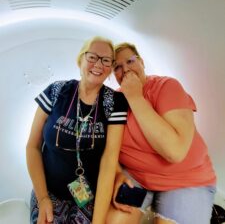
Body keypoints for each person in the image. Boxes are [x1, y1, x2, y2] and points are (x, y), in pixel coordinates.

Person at [106, 42, 216, 224]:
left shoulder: (166, 86)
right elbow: (110, 148)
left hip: (186, 180)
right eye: (117, 67)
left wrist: (135, 97)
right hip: (137, 178)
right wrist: (118, 173)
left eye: (130, 61)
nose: (125, 70)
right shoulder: (114, 101)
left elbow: (175, 151)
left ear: (141, 62)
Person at [26, 36, 128, 224]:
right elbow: (32, 146)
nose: (98, 64)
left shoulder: (114, 103)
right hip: (49, 192)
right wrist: (43, 198)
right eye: (92, 57)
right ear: (80, 59)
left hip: (88, 197)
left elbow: (108, 161)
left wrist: (97, 221)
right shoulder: (56, 91)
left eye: (106, 60)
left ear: (110, 68)